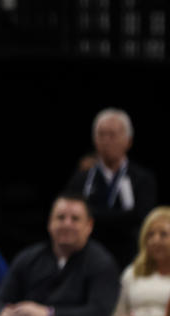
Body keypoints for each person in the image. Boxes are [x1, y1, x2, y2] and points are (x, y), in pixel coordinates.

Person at [65, 108, 158, 267]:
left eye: (113, 135)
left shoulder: (142, 179)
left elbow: (143, 218)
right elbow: (73, 214)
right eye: (101, 135)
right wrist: (123, 217)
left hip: (131, 257)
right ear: (94, 140)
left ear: (128, 141)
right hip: (88, 257)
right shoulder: (82, 178)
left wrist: (94, 215)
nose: (107, 140)